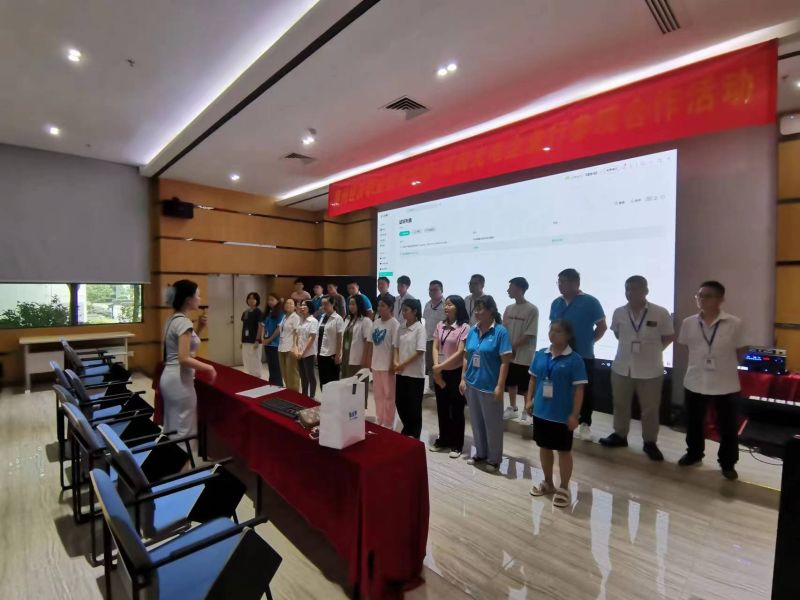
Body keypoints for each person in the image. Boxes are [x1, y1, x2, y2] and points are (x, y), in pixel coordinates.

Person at [677, 281, 746, 480]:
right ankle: (694, 454)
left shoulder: (734, 323)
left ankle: (727, 463)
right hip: (695, 380)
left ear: (720, 299)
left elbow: (742, 351)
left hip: (725, 383)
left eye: (707, 295)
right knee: (694, 422)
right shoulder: (688, 322)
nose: (701, 299)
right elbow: (687, 347)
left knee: (728, 426)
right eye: (699, 295)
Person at [600, 276, 674, 461]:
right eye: (627, 289)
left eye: (634, 288)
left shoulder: (660, 312)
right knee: (620, 404)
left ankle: (650, 442)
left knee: (650, 409)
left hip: (651, 370)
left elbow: (668, 337)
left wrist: (653, 351)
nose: (630, 292)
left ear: (645, 291)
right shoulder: (619, 312)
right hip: (622, 367)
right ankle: (620, 435)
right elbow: (618, 334)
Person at [526, 320, 587, 508]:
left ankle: (564, 487)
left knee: (564, 451)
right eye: (551, 330)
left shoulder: (575, 360)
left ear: (568, 335)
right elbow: (533, 379)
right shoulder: (540, 354)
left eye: (558, 331)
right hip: (541, 412)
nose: (553, 334)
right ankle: (548, 482)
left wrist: (575, 415)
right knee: (544, 447)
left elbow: (579, 390)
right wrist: (529, 400)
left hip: (561, 415)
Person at [549, 268, 607, 441]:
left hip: (583, 355)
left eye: (564, 282)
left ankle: (585, 423)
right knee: (559, 386)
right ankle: (558, 418)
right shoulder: (556, 303)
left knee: (585, 390)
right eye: (558, 282)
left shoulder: (590, 302)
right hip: (559, 354)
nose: (560, 285)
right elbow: (553, 327)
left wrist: (589, 341)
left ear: (575, 283)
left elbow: (602, 327)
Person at [161, 280, 216, 452]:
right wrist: (209, 368)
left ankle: (171, 463)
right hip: (180, 381)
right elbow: (184, 358)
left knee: (173, 426)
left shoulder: (172, 319)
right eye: (197, 295)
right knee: (184, 430)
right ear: (188, 299)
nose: (200, 298)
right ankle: (182, 466)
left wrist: (199, 328)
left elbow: (185, 348)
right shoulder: (184, 323)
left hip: (169, 378)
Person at [460, 295, 512, 472]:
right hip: (472, 384)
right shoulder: (472, 331)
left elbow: (505, 361)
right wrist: (463, 378)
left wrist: (500, 385)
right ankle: (481, 453)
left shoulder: (500, 332)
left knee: (493, 424)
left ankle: (494, 458)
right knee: (476, 422)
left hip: (490, 386)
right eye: (475, 309)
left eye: (480, 309)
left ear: (491, 311)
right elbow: (466, 356)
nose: (476, 312)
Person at [430, 295, 470, 457]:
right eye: (445, 304)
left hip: (454, 372)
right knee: (442, 407)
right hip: (440, 371)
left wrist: (440, 366)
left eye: (450, 304)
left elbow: (460, 352)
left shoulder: (464, 327)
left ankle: (457, 444)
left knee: (456, 409)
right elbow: (435, 347)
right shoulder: (440, 325)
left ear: (458, 307)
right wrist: (437, 368)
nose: (446, 307)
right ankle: (444, 439)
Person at [502, 277, 539, 423]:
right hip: (509, 353)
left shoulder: (532, 309)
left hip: (525, 354)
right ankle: (513, 408)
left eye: (511, 287)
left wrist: (512, 347)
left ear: (520, 289)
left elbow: (530, 333)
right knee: (511, 382)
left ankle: (527, 410)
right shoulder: (508, 308)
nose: (508, 290)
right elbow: (504, 329)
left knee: (525, 385)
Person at [393, 298, 427, 439]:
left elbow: (419, 351)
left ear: (415, 311)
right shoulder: (401, 327)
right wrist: (396, 362)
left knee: (414, 406)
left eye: (406, 310)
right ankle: (407, 429)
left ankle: (414, 434)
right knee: (400, 403)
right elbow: (396, 347)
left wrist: (402, 364)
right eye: (402, 310)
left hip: (415, 375)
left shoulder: (420, 328)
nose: (403, 313)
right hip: (401, 373)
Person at [370, 295, 400, 429]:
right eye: (379, 305)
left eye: (383, 306)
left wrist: (392, 364)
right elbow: (372, 343)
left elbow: (395, 346)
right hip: (376, 364)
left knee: (389, 396)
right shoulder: (376, 322)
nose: (379, 308)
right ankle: (379, 419)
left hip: (388, 366)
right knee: (378, 395)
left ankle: (388, 423)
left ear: (390, 307)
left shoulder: (394, 324)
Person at [342, 294, 373, 378]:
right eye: (349, 304)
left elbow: (368, 342)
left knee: (357, 384)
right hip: (346, 356)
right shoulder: (348, 319)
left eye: (353, 304)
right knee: (346, 382)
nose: (350, 307)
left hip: (358, 359)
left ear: (359, 305)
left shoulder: (366, 321)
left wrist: (365, 359)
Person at [317, 295, 345, 388]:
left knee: (332, 380)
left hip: (331, 354)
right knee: (323, 380)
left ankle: (333, 397)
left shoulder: (338, 318)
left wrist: (338, 354)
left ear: (333, 304)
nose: (324, 306)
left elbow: (340, 338)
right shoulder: (322, 317)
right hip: (321, 353)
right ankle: (324, 397)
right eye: (322, 304)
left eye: (326, 304)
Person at [423, 280, 446, 392]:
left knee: (441, 364)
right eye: (430, 290)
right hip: (428, 339)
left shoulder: (446, 305)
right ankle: (432, 387)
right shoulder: (427, 305)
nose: (431, 292)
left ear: (441, 290)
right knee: (430, 364)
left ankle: (442, 388)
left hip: (442, 341)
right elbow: (425, 321)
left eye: (435, 290)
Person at [294, 300, 319, 398]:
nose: (302, 307)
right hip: (299, 352)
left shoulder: (313, 321)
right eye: (301, 305)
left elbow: (311, 338)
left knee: (310, 375)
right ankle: (304, 396)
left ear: (310, 308)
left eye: (304, 305)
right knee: (303, 376)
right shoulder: (300, 320)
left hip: (309, 353)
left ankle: (312, 397)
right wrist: (296, 349)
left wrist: (303, 352)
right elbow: (297, 336)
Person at [259, 294, 284, 386]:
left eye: (272, 299)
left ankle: (278, 385)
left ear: (277, 301)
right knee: (270, 365)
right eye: (269, 300)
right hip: (267, 343)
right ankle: (272, 383)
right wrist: (262, 338)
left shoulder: (280, 313)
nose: (270, 301)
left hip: (275, 343)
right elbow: (263, 326)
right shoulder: (268, 313)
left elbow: (279, 329)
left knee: (276, 366)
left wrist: (270, 339)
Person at [278, 298, 301, 392]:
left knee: (292, 372)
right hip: (281, 346)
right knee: (284, 372)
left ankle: (295, 393)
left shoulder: (296, 317)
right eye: (287, 303)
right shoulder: (284, 316)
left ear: (295, 307)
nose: (288, 305)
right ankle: (288, 391)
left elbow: (296, 332)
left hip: (290, 347)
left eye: (291, 303)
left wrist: (294, 347)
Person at [240, 292, 264, 378]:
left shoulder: (259, 312)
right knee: (247, 360)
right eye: (249, 298)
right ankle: (249, 377)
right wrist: (241, 341)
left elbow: (260, 326)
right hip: (246, 340)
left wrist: (257, 340)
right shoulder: (245, 312)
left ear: (257, 300)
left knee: (255, 360)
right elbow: (244, 326)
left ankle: (257, 378)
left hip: (255, 340)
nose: (251, 300)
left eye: (253, 298)